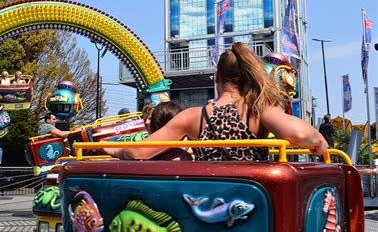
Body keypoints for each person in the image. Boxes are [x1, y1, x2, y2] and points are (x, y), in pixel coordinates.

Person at [103, 43, 328, 161]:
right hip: (250, 205)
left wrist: (113, 150)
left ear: (217, 77)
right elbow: (302, 135)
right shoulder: (258, 110)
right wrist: (319, 143)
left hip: (207, 207)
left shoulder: (192, 117)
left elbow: (139, 152)